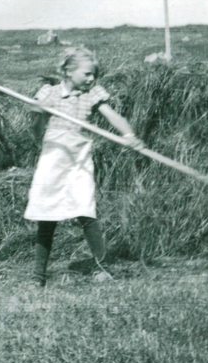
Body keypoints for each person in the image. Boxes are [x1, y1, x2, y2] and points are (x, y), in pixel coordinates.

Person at [24, 46, 142, 287]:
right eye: (87, 74)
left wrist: (129, 135)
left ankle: (101, 268)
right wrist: (38, 114)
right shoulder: (49, 94)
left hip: (79, 160)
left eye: (94, 75)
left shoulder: (92, 94)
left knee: (86, 210)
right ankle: (38, 277)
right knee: (47, 215)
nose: (92, 79)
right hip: (54, 159)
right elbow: (35, 132)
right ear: (69, 71)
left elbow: (113, 116)